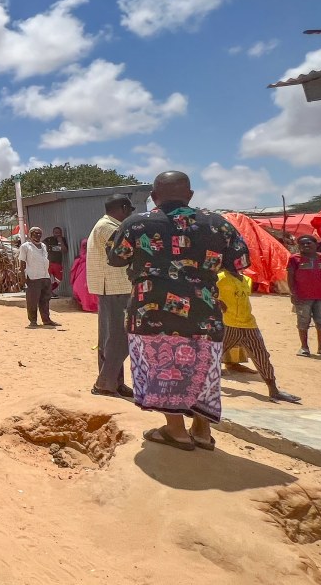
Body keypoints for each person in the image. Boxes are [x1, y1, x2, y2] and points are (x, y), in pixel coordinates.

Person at [107, 171, 249, 452]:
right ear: (191, 195)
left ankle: (175, 430)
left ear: (154, 197)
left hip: (151, 313)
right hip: (204, 313)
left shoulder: (136, 224)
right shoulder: (218, 224)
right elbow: (241, 260)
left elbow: (115, 258)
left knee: (161, 367)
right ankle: (202, 430)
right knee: (203, 369)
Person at [216, 267, 301, 403]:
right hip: (229, 323)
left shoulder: (245, 279)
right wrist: (217, 302)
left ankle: (274, 390)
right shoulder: (220, 278)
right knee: (215, 355)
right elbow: (207, 291)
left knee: (261, 355)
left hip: (248, 324)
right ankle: (200, 387)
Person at [87, 195, 135, 398]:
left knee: (111, 338)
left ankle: (113, 382)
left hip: (113, 288)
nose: (131, 214)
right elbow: (130, 250)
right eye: (130, 210)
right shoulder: (108, 227)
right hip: (115, 288)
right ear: (123, 208)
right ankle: (105, 383)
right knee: (118, 338)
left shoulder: (104, 225)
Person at [288, 234, 321, 357]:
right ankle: (304, 347)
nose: (306, 245)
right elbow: (291, 277)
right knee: (303, 321)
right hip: (302, 297)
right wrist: (293, 293)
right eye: (302, 244)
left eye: (309, 243)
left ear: (316, 244)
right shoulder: (294, 259)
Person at [20, 226, 58, 328]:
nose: (38, 235)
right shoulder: (25, 247)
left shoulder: (43, 246)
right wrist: (23, 277)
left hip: (45, 276)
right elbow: (22, 263)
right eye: (35, 233)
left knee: (45, 299)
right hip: (33, 277)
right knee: (32, 300)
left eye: (39, 233)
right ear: (30, 235)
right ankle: (33, 321)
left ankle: (46, 320)